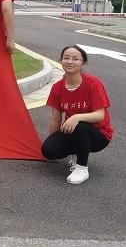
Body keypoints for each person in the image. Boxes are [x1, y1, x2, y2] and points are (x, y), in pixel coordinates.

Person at [41, 45, 113, 185]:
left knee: (80, 125)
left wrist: (76, 116)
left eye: (75, 59)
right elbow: (56, 119)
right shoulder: (57, 88)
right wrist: (55, 141)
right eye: (66, 58)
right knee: (48, 150)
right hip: (74, 130)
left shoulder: (93, 83)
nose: (70, 61)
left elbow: (100, 115)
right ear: (61, 60)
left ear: (83, 63)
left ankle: (82, 167)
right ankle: (76, 152)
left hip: (99, 135)